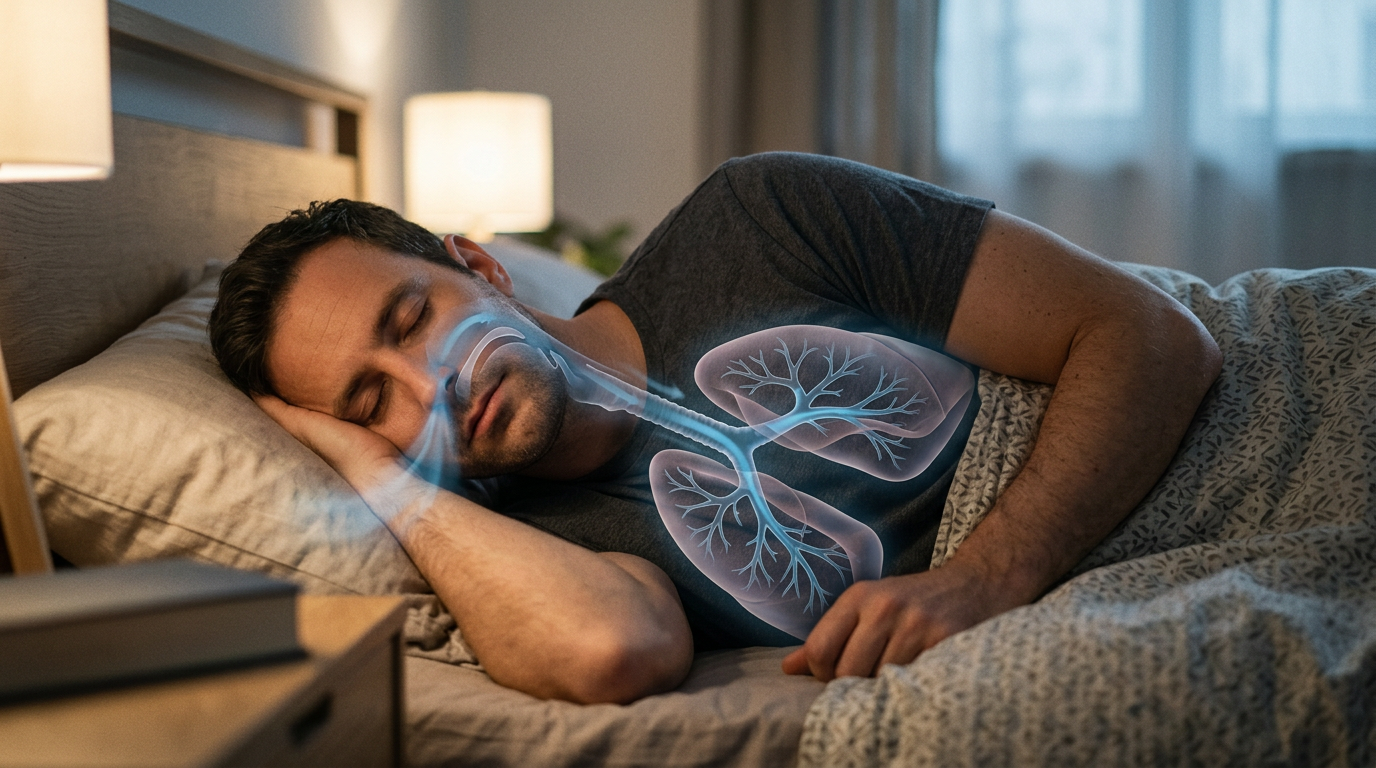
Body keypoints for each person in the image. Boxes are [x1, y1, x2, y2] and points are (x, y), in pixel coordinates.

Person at [208, 152, 1221, 704]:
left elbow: (1149, 334)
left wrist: (984, 578)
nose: (428, 385)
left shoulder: (755, 217)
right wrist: (382, 477)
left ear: (478, 266)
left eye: (410, 320)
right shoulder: (534, 546)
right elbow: (610, 649)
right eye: (369, 402)